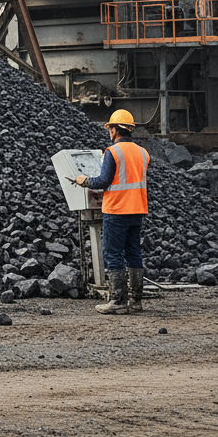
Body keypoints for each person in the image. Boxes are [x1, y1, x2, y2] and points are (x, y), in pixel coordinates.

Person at [74, 108, 150, 314]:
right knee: (133, 253)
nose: (109, 132)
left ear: (116, 130)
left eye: (110, 128)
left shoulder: (113, 152)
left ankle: (117, 301)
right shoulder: (143, 153)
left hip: (117, 209)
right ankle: (135, 301)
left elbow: (104, 181)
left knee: (113, 253)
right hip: (138, 209)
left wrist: (85, 181)